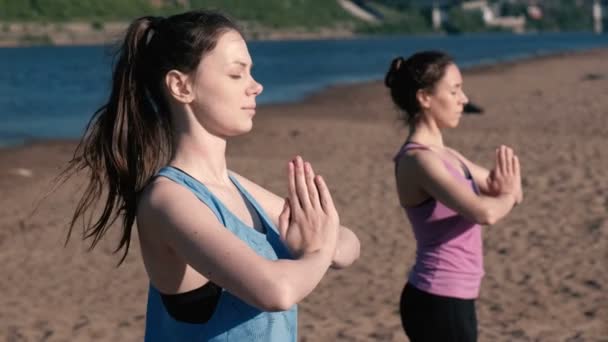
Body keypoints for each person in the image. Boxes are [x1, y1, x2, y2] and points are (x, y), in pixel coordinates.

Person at [61, 10, 360, 341]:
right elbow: (276, 291)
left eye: (251, 73)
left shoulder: (236, 187)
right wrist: (317, 251)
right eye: (236, 75)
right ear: (181, 86)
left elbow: (348, 245)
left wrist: (318, 242)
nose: (256, 86)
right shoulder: (167, 200)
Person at [385, 51, 523, 342]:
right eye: (454, 90)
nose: (463, 99)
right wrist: (506, 195)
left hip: (456, 296)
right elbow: (485, 212)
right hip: (437, 297)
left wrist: (507, 192)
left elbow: (506, 189)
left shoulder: (447, 156)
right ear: (424, 97)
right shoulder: (418, 161)